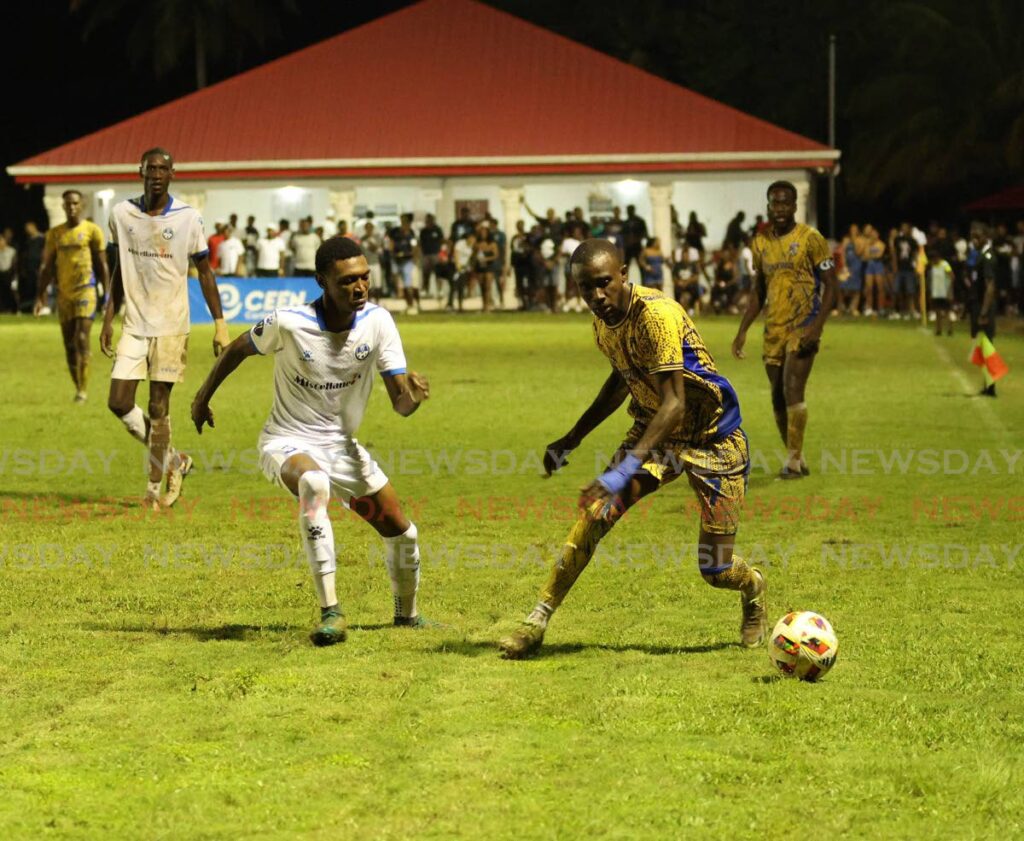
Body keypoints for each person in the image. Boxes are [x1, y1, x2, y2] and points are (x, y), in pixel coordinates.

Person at [498, 239, 765, 660]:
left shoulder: (655, 316)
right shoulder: (603, 323)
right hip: (655, 433)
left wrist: (623, 471)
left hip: (714, 438)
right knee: (594, 515)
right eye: (586, 288)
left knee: (715, 569)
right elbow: (622, 378)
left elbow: (675, 404)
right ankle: (537, 621)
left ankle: (752, 587)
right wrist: (573, 437)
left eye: (604, 283)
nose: (597, 296)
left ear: (624, 274)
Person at [190, 236, 432, 645]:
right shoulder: (289, 322)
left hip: (343, 449)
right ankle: (331, 611)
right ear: (322, 281)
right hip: (287, 442)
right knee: (313, 484)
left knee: (402, 533)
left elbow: (400, 405)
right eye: (347, 281)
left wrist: (415, 398)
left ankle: (406, 617)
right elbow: (235, 349)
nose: (359, 287)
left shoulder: (379, 322)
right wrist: (201, 397)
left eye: (364, 278)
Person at [100, 147, 230, 510]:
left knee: (159, 408)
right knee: (118, 401)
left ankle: (153, 492)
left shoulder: (189, 218)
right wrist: (108, 317)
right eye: (150, 168)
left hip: (172, 326)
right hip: (134, 324)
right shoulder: (121, 214)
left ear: (172, 174)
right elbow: (117, 271)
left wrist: (220, 325)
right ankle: (174, 459)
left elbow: (205, 271)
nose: (156, 173)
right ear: (140, 170)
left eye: (163, 168)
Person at [731, 180, 837, 479]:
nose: (780, 209)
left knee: (793, 388)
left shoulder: (811, 239)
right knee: (777, 395)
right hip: (773, 329)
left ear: (794, 206)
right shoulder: (760, 242)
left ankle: (792, 463)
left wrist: (816, 328)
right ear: (768, 206)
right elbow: (758, 291)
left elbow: (832, 287)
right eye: (774, 203)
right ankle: (797, 459)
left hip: (803, 324)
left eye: (785, 203)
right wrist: (743, 330)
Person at [34, 190, 110, 402]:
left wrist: (108, 293)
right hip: (64, 294)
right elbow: (46, 267)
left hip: (86, 289)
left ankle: (83, 391)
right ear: (63, 206)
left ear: (82, 205)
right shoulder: (55, 234)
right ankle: (78, 385)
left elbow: (102, 264)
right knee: (69, 344)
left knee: (82, 337)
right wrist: (40, 297)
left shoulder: (92, 230)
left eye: (75, 204)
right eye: (68, 204)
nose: (72, 207)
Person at [967, 225, 999, 397]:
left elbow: (990, 287)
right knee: (983, 346)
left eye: (977, 237)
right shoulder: (982, 255)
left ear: (986, 236)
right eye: (972, 237)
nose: (974, 240)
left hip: (984, 306)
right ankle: (988, 385)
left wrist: (984, 312)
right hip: (979, 305)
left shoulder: (987, 257)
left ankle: (991, 385)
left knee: (987, 346)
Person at [389, 213, 420, 314]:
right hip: (397, 260)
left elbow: (414, 247)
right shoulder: (395, 232)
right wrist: (393, 254)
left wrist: (413, 258)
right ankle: (408, 304)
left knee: (409, 284)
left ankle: (412, 305)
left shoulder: (411, 233)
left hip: (407, 260)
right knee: (399, 283)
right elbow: (391, 244)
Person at [890, 222, 919, 319]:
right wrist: (894, 265)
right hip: (899, 268)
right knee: (896, 290)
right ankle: (895, 310)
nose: (904, 229)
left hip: (909, 268)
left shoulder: (913, 241)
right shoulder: (897, 239)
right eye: (903, 227)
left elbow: (915, 254)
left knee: (910, 291)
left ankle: (911, 310)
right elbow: (894, 253)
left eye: (906, 227)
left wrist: (916, 266)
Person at [18, 221, 45, 313]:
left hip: (38, 267)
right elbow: (25, 255)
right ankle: (30, 309)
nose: (27, 230)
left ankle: (41, 307)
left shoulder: (42, 238)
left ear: (33, 227)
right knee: (30, 289)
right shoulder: (28, 241)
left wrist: (42, 265)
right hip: (29, 269)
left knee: (40, 288)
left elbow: (44, 252)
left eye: (29, 228)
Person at [926, 250, 954, 337]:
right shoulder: (933, 266)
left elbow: (952, 276)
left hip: (945, 292)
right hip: (936, 293)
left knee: (947, 312)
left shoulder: (945, 265)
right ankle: (939, 329)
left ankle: (950, 330)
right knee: (937, 312)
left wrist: (949, 291)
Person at [418, 213, 444, 298]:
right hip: (426, 255)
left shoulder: (438, 230)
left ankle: (440, 291)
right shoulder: (423, 231)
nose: (429, 221)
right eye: (427, 220)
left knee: (438, 273)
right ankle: (425, 290)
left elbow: (442, 241)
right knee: (426, 274)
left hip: (436, 254)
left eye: (430, 220)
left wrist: (441, 254)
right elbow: (420, 243)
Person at [622, 204, 648, 274]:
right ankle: (624, 282)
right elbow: (623, 234)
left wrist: (639, 240)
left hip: (637, 245)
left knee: (641, 264)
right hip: (628, 246)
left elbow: (645, 233)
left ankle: (644, 282)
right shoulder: (626, 222)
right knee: (626, 265)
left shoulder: (639, 221)